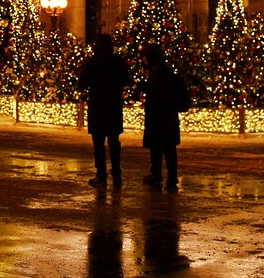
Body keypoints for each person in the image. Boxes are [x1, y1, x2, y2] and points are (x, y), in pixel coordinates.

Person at [77, 34, 130, 188]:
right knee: (114, 140)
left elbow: (81, 84)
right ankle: (116, 172)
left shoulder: (91, 62)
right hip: (113, 104)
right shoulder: (118, 61)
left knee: (98, 142)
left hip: (97, 105)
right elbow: (126, 80)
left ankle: (101, 174)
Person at [141, 44, 187, 191]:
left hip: (158, 115)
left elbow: (156, 93)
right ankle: (171, 175)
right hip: (168, 115)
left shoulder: (156, 73)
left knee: (157, 147)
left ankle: (157, 174)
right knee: (169, 148)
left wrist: (144, 88)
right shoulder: (165, 70)